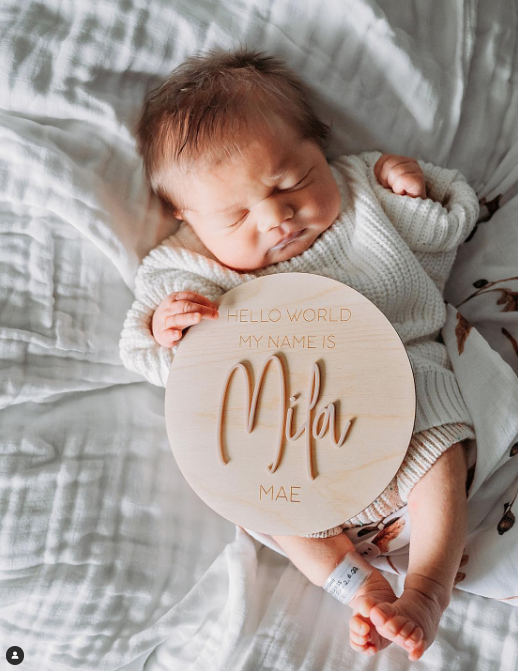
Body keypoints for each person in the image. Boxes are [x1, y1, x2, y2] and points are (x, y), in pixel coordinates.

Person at [119, 47, 479, 661]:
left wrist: (415, 190)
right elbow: (153, 359)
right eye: (236, 216)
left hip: (398, 388)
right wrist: (164, 326)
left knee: (440, 446)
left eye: (291, 182)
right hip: (286, 434)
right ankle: (355, 582)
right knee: (254, 491)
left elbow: (446, 228)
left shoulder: (361, 192)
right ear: (187, 217)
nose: (277, 216)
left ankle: (426, 589)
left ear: (322, 150)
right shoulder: (188, 266)